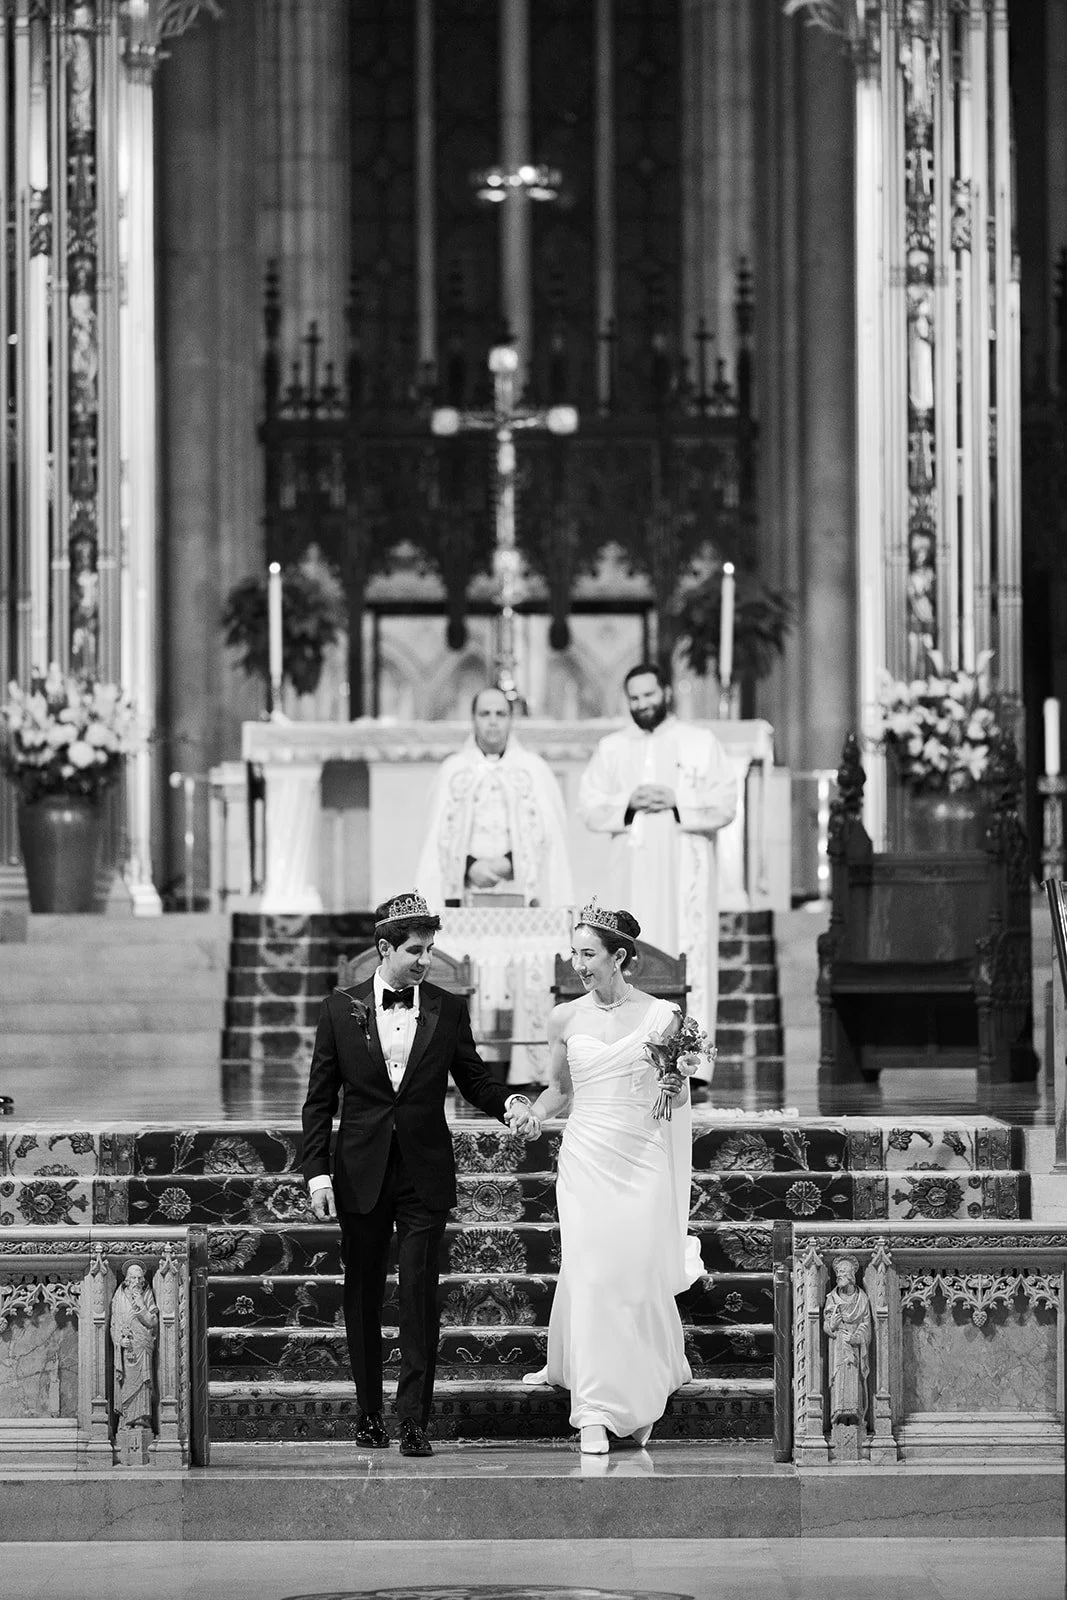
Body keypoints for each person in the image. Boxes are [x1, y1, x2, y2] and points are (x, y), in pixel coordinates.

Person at [301, 889, 539, 1458]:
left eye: (431, 949)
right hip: (359, 1170)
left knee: (418, 1297)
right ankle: (367, 1415)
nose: (426, 961)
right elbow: (318, 1101)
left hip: (424, 1173)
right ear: (385, 949)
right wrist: (317, 1174)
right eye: (415, 951)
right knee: (361, 1296)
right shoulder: (340, 1008)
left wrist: (508, 1105)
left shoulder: (446, 1008)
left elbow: (475, 1080)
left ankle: (414, 1420)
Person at [520, 900, 705, 1453]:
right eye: (573, 953)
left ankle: (642, 1383)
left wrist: (674, 1087)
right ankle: (596, 1408)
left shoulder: (664, 1018)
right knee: (596, 1274)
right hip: (586, 1158)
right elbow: (559, 1091)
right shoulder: (564, 1018)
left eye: (588, 954)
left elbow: (673, 1088)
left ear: (619, 956)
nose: (578, 964)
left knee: (634, 1275)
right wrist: (533, 1113)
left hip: (641, 1153)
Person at [577, 662, 737, 1086]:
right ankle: (630, 1057)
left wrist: (676, 798)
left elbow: (725, 803)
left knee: (687, 954)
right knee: (632, 954)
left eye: (650, 694)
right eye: (635, 697)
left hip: (684, 876)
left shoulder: (701, 742)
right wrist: (628, 801)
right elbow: (590, 806)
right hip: (629, 876)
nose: (643, 704)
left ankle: (691, 1063)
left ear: (666, 692)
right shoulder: (613, 747)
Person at [416, 686, 574, 907]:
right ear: (473, 719)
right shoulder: (454, 770)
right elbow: (438, 838)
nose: (493, 721)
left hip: (519, 888)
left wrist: (510, 862)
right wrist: (469, 866)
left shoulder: (533, 769)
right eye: (485, 714)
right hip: (466, 889)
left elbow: (549, 836)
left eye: (500, 714)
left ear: (511, 720)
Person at [110, 1263, 158, 1442]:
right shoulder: (118, 1295)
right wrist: (118, 1341)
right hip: (126, 1347)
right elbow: (114, 1323)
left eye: (139, 1278)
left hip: (142, 1345)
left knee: (143, 1384)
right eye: (133, 1278)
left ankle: (142, 1421)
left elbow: (152, 1322)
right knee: (127, 1382)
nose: (136, 1281)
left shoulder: (147, 1295)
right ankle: (126, 1418)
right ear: (126, 1279)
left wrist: (141, 1306)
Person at [823, 1255, 872, 1428]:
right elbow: (826, 1324)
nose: (839, 1276)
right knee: (838, 1378)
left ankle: (855, 1414)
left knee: (854, 1377)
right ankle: (838, 1414)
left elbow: (866, 1324)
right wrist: (832, 1326)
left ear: (852, 1274)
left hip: (855, 1346)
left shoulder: (862, 1299)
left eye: (843, 1272)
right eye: (837, 1272)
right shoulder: (832, 1298)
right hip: (838, 1346)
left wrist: (857, 1337)